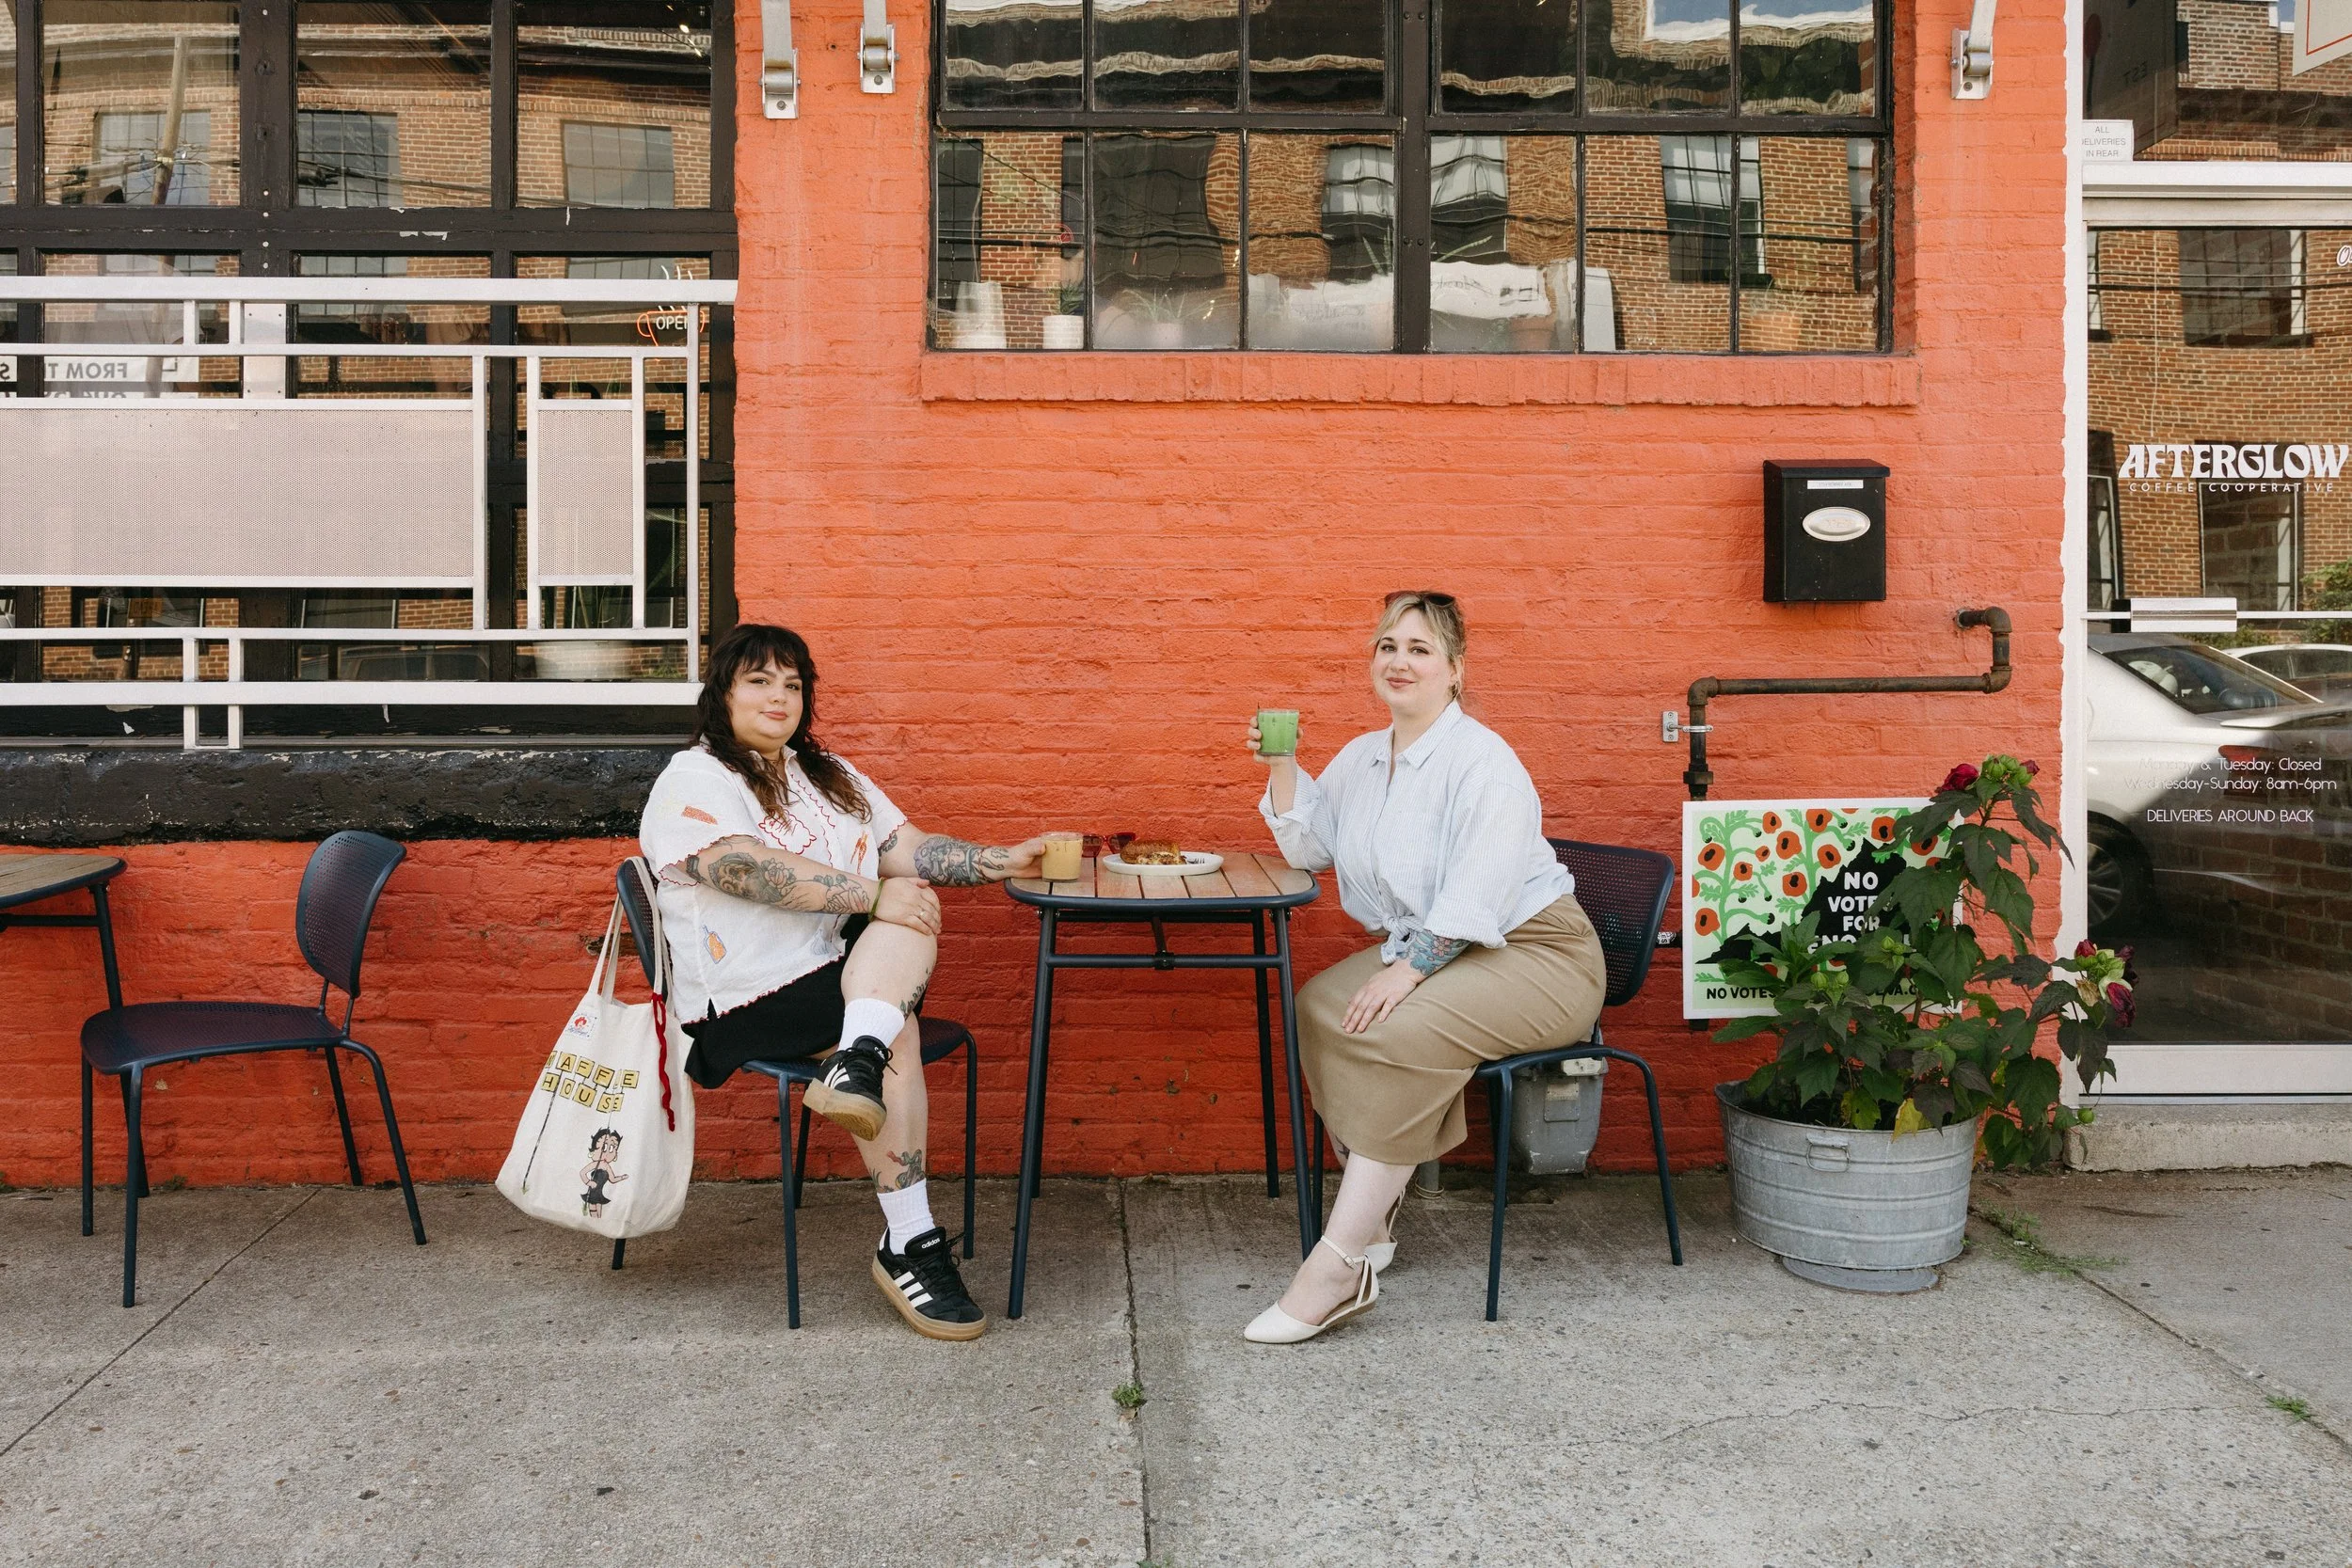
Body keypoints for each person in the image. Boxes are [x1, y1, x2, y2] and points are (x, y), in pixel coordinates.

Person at [640, 623, 1045, 1340]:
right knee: (898, 1014)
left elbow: (907, 849)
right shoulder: (696, 777)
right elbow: (737, 864)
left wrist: (1000, 859)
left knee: (914, 900)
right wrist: (870, 894)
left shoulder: (824, 775)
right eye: (760, 681)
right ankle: (908, 1236)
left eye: (793, 684)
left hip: (834, 980)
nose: (780, 696)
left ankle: (859, 1064)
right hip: (742, 999)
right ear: (722, 693)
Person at [1243, 592, 1606, 1343]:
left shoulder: (1484, 761)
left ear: (1454, 671)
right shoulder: (1366, 756)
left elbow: (1479, 890)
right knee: (1318, 1005)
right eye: (1387, 646)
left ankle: (1339, 1265)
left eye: (1419, 648)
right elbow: (1310, 846)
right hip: (1446, 947)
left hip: (1539, 954)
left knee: (1398, 1031)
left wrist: (1407, 970)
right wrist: (1283, 763)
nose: (1398, 661)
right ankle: (1379, 1205)